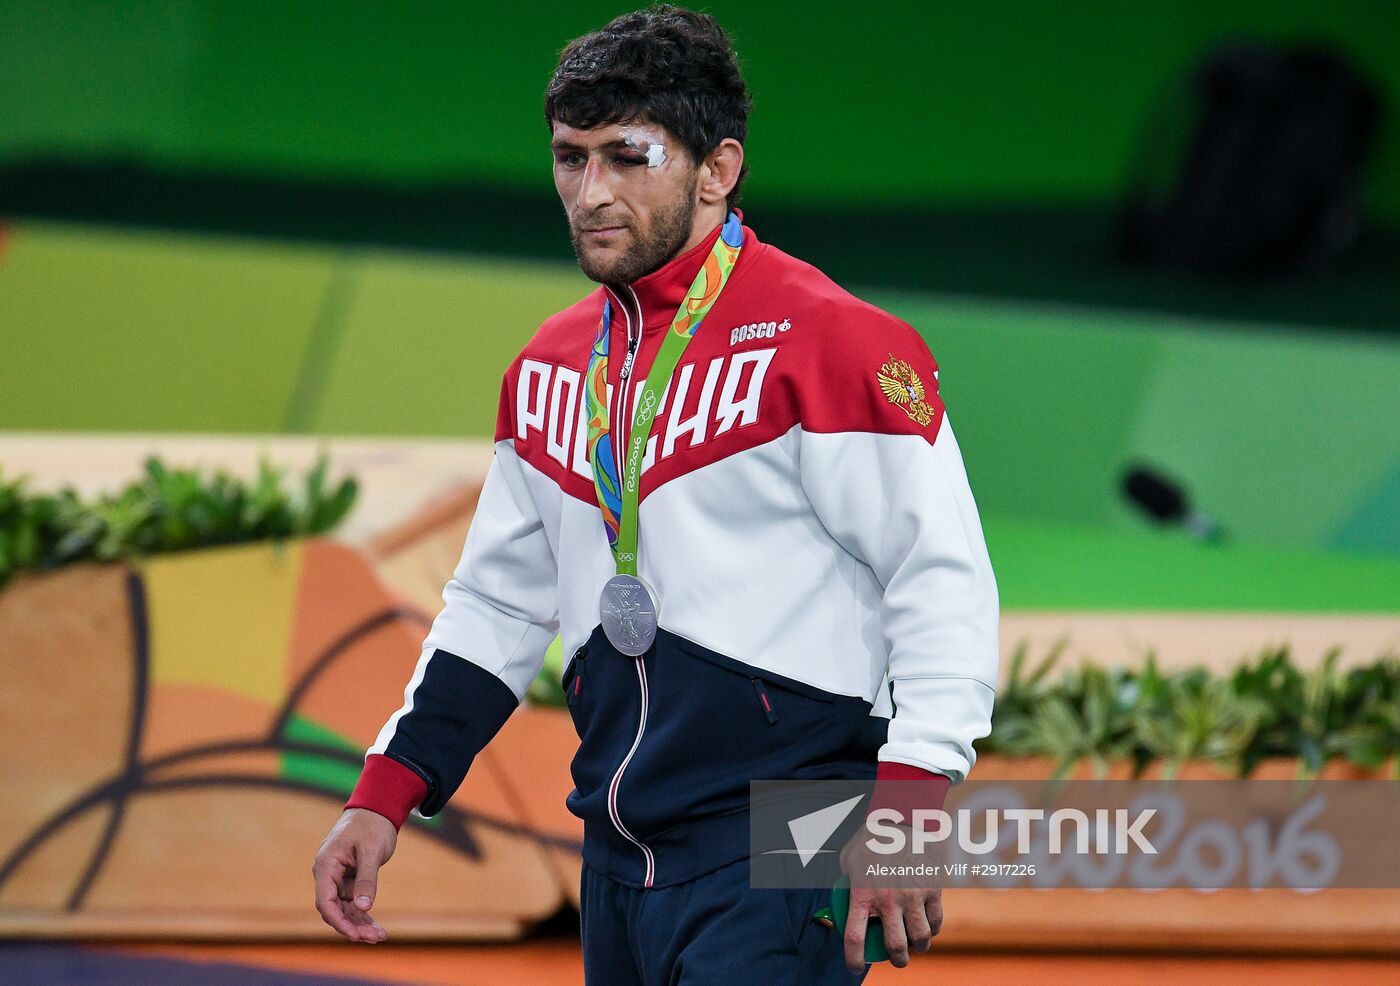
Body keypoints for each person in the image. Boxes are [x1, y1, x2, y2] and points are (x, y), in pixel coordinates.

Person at [312, 6, 998, 982]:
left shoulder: (835, 345)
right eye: (569, 158)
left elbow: (940, 580)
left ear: (716, 170)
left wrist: (911, 807)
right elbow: (497, 605)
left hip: (789, 839)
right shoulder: (550, 367)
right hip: (616, 859)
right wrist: (384, 792)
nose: (589, 192)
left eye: (627, 157)